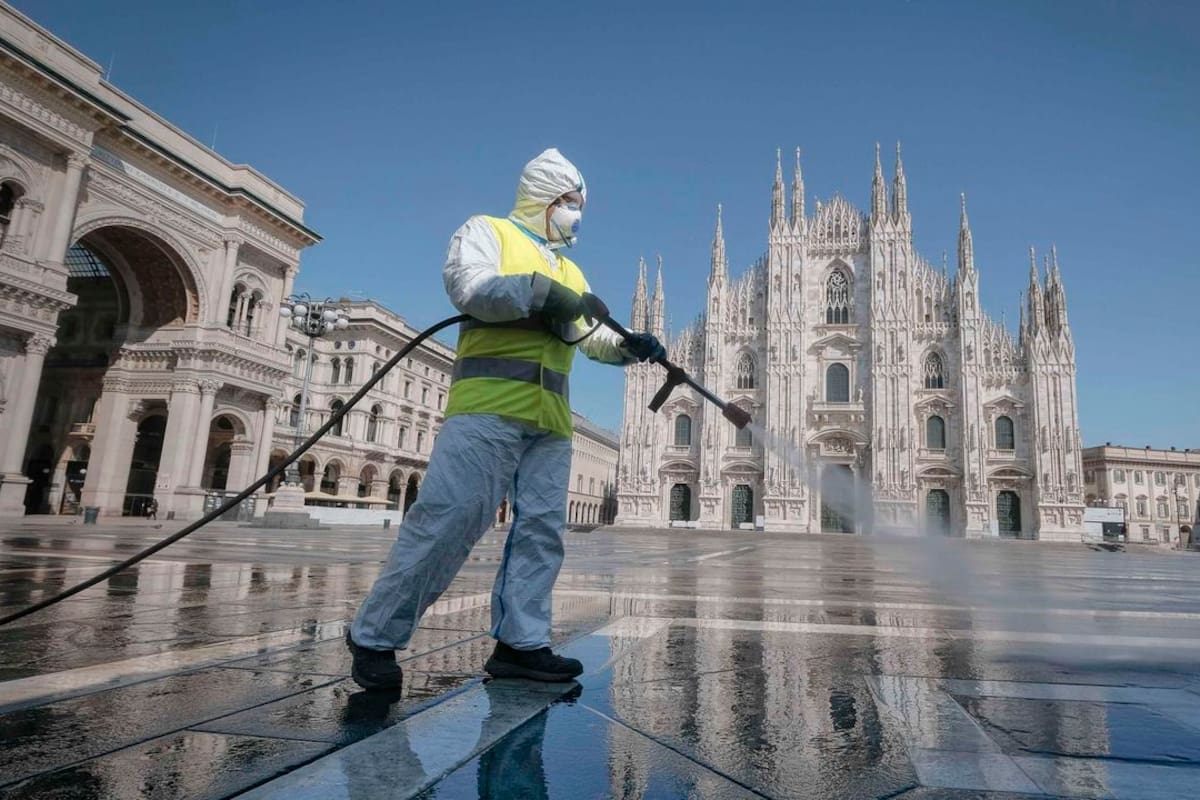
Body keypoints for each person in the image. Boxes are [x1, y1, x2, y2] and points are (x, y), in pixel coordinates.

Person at [346, 149, 664, 690]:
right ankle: (376, 635)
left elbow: (589, 336)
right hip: (488, 409)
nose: (576, 213)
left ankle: (521, 643)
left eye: (579, 204)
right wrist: (541, 293)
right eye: (569, 202)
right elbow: (469, 288)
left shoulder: (570, 267)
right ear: (543, 198)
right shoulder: (488, 232)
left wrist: (628, 346)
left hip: (550, 420)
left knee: (541, 532)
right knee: (449, 521)